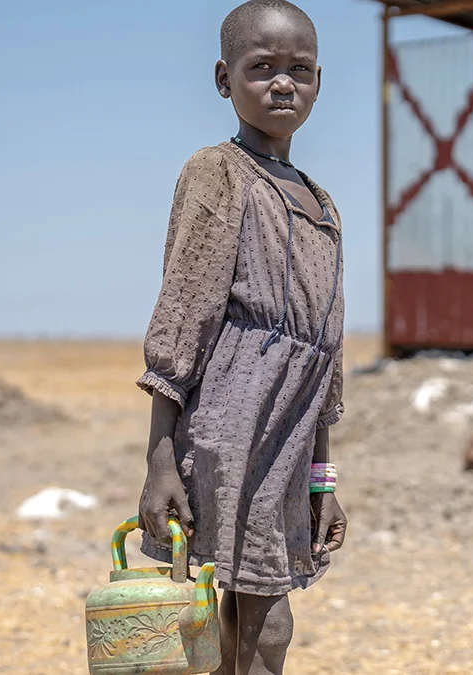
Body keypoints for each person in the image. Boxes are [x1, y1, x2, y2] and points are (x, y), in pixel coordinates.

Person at [135, 2, 346, 673]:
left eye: (300, 70)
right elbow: (182, 313)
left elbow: (321, 354)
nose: (283, 83)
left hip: (292, 438)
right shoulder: (218, 173)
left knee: (254, 615)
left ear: (319, 81)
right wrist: (160, 458)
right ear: (225, 80)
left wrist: (323, 477)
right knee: (260, 615)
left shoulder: (321, 202)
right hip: (232, 426)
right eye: (263, 69)